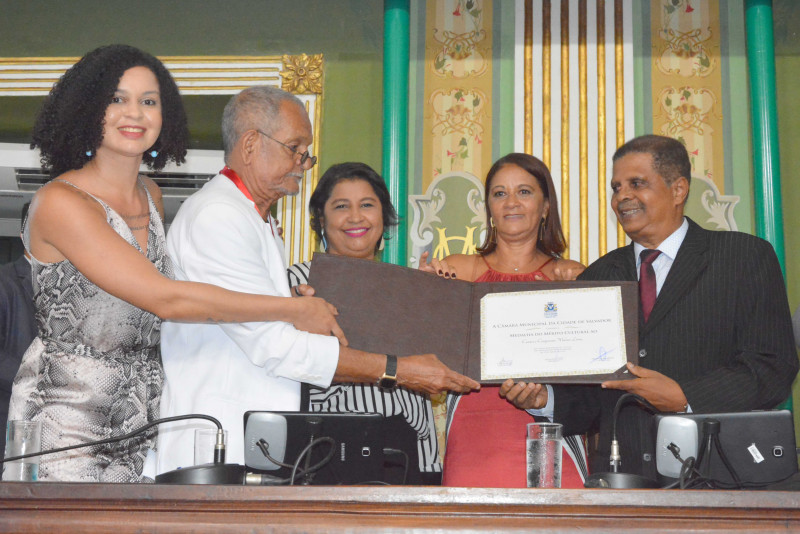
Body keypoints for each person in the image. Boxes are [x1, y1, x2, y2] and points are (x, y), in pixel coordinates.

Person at [8, 45, 347, 483]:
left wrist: (283, 297)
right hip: (67, 428)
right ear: (88, 107)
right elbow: (166, 298)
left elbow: (177, 293)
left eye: (149, 101)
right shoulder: (59, 202)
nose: (135, 113)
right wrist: (291, 309)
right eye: (118, 99)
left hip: (143, 426)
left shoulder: (150, 196)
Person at [155, 86, 479, 475]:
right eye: (295, 147)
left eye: (305, 151)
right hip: (222, 444)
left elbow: (249, 315)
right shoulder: (218, 216)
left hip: (258, 446)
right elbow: (276, 347)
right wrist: (399, 370)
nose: (303, 162)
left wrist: (288, 301)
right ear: (251, 144)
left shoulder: (256, 219)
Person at [500, 135, 799, 479]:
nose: (622, 197)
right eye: (616, 187)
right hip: (621, 484)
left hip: (719, 479)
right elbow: (590, 399)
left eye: (636, 184)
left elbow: (773, 367)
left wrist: (685, 397)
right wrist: (544, 401)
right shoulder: (597, 276)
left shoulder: (743, 257)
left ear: (678, 190)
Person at [420, 153, 589, 488]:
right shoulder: (457, 270)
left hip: (551, 440)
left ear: (545, 207)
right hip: (474, 435)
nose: (511, 203)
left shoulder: (568, 276)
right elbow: (425, 355)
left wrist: (581, 289)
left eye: (524, 192)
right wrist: (426, 294)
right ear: (489, 208)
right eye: (500, 194)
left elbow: (589, 381)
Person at [287, 162, 442, 483]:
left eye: (367, 205)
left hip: (410, 446)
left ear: (383, 219)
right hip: (328, 445)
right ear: (320, 220)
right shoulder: (296, 283)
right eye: (341, 206)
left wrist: (437, 301)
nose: (355, 217)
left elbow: (442, 367)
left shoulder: (413, 285)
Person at [0, 204, 36, 459]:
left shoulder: (78, 286)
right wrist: (39, 381)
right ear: (23, 236)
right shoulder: (4, 282)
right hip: (8, 421)